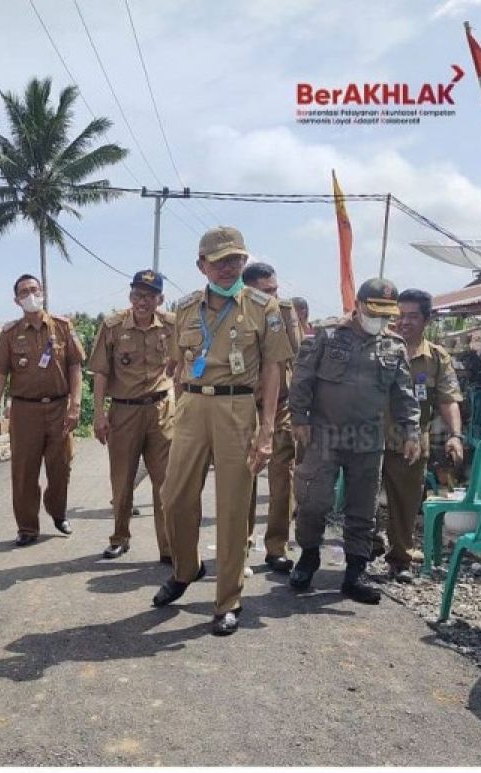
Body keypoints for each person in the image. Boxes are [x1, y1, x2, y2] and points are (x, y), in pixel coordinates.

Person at [151, 226, 292, 636]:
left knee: (233, 507)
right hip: (193, 405)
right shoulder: (185, 309)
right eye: (220, 261)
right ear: (202, 265)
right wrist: (175, 404)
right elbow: (175, 365)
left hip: (238, 406)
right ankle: (185, 569)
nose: (230, 268)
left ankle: (227, 600)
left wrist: (266, 430)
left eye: (236, 260)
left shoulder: (264, 309)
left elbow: (273, 371)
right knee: (173, 497)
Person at [289, 278, 420, 604]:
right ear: (358, 306)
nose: (381, 321)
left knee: (363, 508)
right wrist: (299, 419)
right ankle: (308, 556)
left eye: (387, 315)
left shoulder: (394, 345)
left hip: (367, 437)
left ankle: (355, 572)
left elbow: (404, 394)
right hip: (324, 433)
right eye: (374, 312)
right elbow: (302, 378)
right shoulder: (327, 334)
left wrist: (411, 430)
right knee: (314, 500)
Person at [0, 275, 85, 545]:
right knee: (25, 471)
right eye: (24, 292)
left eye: (34, 290)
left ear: (43, 293)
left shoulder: (62, 327)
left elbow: (76, 366)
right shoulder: (10, 334)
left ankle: (58, 512)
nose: (30, 295)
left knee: (61, 467)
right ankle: (27, 528)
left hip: (59, 407)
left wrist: (75, 405)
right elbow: (0, 376)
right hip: (25, 411)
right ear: (17, 300)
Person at [89, 270, 177, 562]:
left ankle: (168, 547)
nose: (143, 301)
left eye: (150, 296)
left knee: (165, 481)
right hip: (124, 410)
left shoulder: (171, 325)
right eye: (138, 295)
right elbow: (100, 372)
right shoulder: (113, 326)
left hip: (161, 411)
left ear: (160, 299)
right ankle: (119, 537)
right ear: (130, 297)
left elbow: (184, 361)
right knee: (122, 479)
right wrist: (99, 414)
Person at [380, 289, 464, 583]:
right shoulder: (378, 348)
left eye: (412, 316)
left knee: (406, 503)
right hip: (369, 437)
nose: (404, 322)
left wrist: (455, 435)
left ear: (426, 319)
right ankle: (360, 554)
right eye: (399, 316)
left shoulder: (437, 358)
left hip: (412, 442)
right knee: (361, 500)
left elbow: (448, 398)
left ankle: (400, 559)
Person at [241, 261, 302, 572]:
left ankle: (276, 547)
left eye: (275, 290)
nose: (273, 297)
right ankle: (242, 543)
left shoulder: (286, 312)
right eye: (266, 292)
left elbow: (298, 358)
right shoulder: (234, 312)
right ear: (248, 291)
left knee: (282, 478)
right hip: (245, 406)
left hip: (281, 406)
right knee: (244, 476)